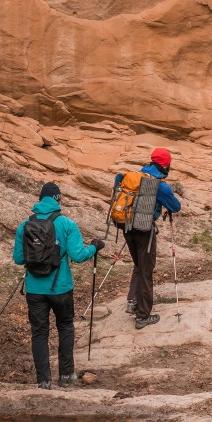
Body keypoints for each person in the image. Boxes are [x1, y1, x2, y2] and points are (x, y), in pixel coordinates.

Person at [13, 183, 104, 389]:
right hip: (61, 288)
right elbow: (78, 256)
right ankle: (65, 376)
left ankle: (43, 380)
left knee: (39, 333)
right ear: (58, 200)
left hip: (34, 290)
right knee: (64, 328)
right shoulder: (67, 224)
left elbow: (18, 259)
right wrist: (94, 247)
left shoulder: (24, 225)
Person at [114, 148, 181, 329]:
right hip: (145, 231)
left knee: (139, 265)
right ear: (166, 164)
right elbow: (176, 207)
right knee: (146, 271)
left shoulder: (134, 177)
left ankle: (133, 301)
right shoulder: (159, 185)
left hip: (126, 227)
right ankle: (142, 316)